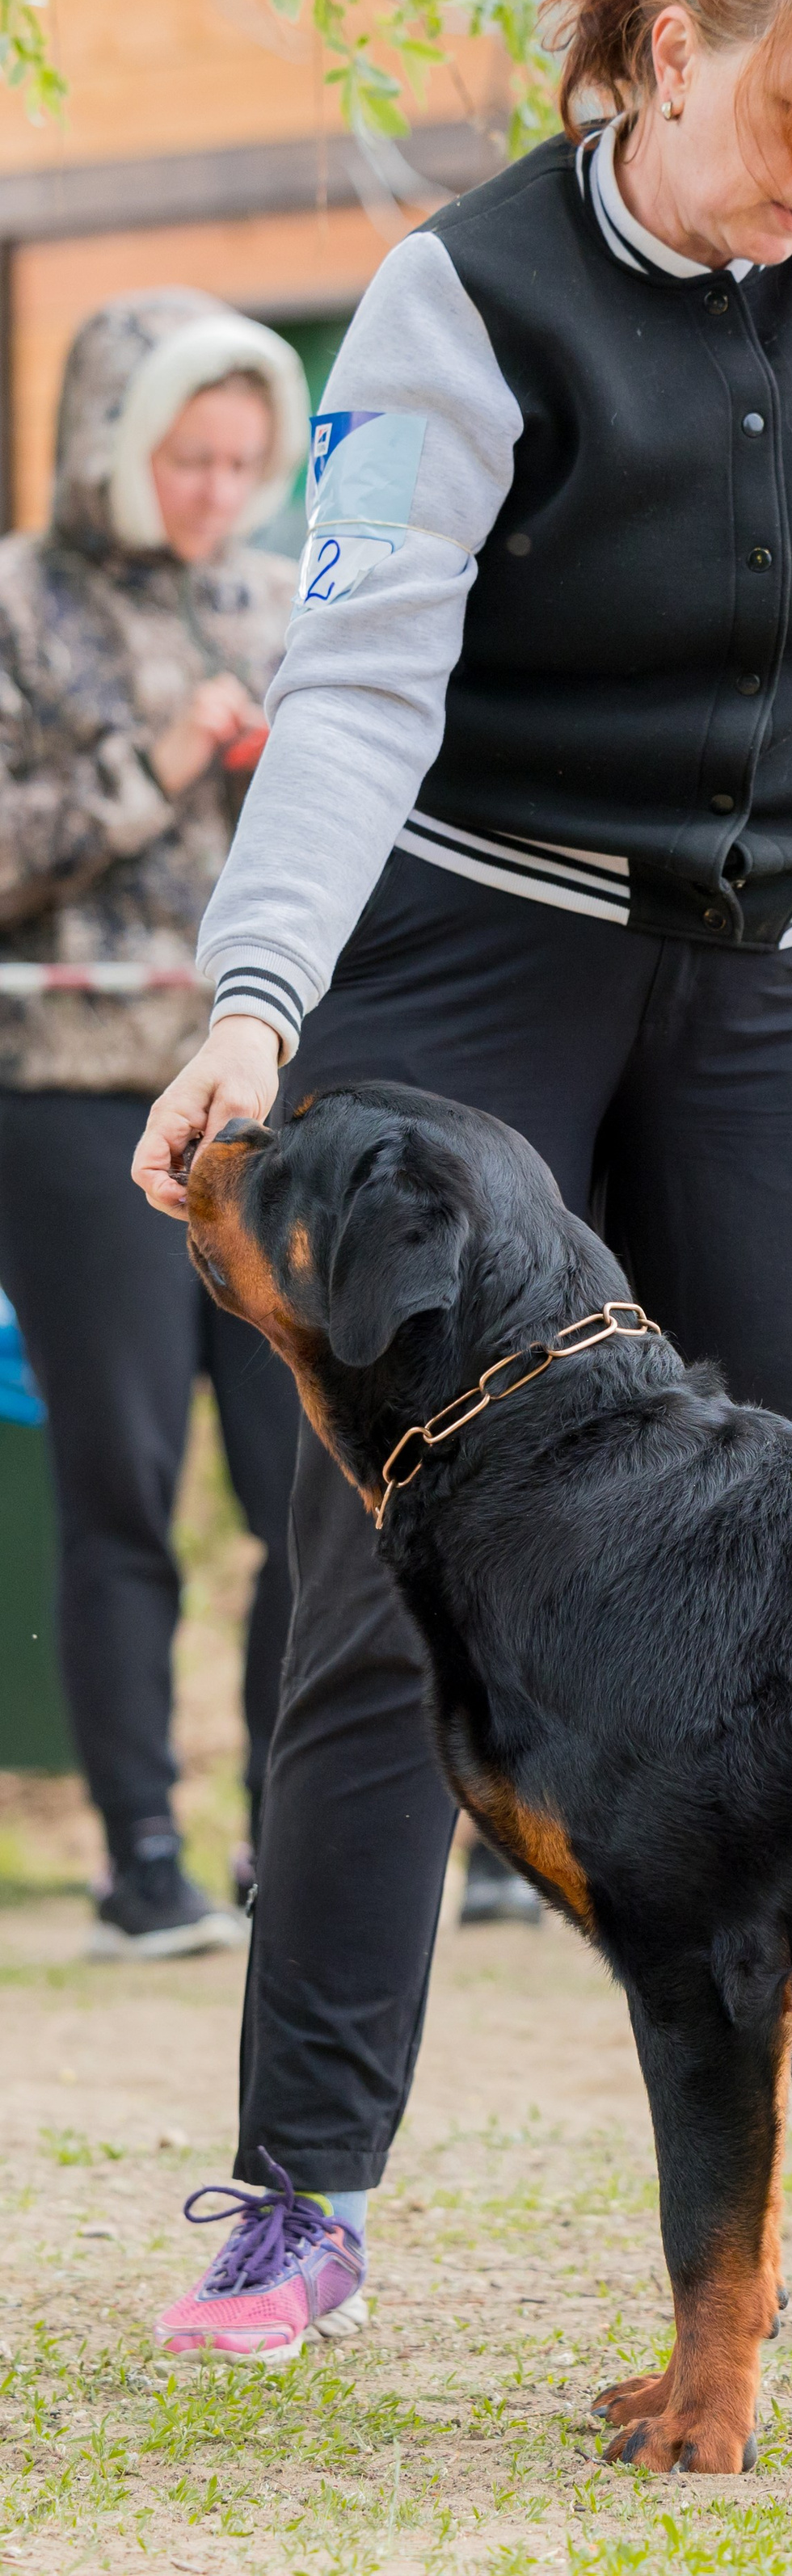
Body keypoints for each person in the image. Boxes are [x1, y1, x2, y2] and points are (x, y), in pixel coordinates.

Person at [129, 0, 792, 2369]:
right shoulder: (464, 293)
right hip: (481, 956)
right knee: (387, 1578)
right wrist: (261, 998)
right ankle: (298, 2186)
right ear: (668, 54)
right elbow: (360, 677)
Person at [0, 288, 306, 1957]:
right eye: (188, 456)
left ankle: (288, 1839)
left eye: (244, 461)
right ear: (120, 447)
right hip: (69, 1097)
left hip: (257, 1111)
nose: (214, 490)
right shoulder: (19, 598)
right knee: (120, 1481)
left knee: (297, 1488)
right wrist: (160, 758)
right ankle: (138, 1859)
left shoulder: (280, 599)